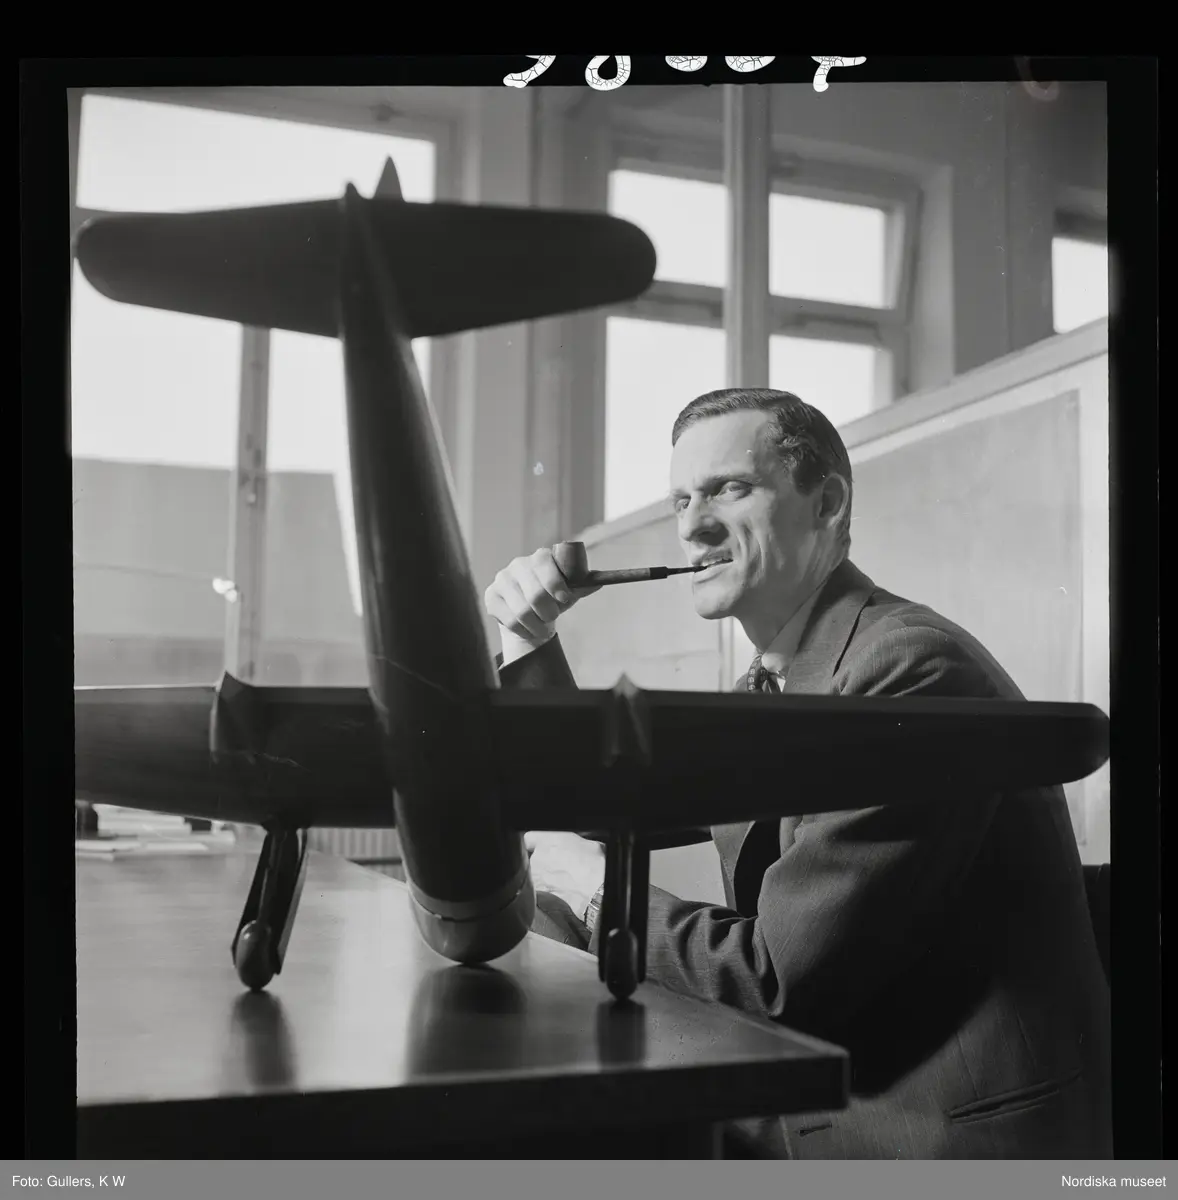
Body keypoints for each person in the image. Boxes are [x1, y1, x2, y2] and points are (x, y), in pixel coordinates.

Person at [483, 387, 1112, 1160]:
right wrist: (528, 633)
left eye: (728, 489)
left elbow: (775, 983)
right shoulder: (776, 683)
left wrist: (596, 888)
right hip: (839, 1115)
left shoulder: (907, 671)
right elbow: (600, 806)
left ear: (828, 502)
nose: (691, 525)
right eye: (682, 499)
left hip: (938, 1147)